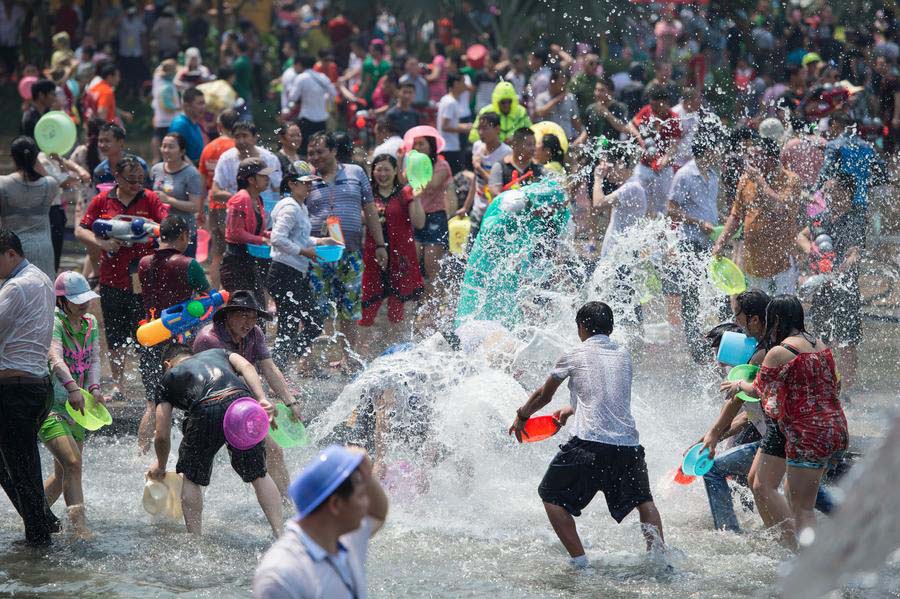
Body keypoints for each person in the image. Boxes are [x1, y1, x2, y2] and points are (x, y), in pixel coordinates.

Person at [509, 302, 665, 568]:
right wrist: (570, 411)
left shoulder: (573, 354)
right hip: (627, 445)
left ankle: (580, 563)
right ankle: (660, 557)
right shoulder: (624, 354)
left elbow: (542, 396)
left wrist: (522, 415)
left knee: (550, 495)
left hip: (589, 444)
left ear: (581, 327)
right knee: (643, 500)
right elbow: (604, 396)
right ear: (611, 328)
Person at [719, 295, 848, 549]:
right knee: (780, 490)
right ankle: (792, 548)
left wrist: (737, 385)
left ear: (775, 319)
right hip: (833, 429)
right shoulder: (819, 344)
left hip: (806, 435)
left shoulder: (779, 352)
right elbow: (837, 384)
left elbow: (757, 389)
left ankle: (809, 561)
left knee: (803, 509)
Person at [148, 344, 283, 536]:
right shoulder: (218, 352)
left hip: (205, 408)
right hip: (242, 402)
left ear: (167, 363)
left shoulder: (168, 378)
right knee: (259, 474)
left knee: (191, 477)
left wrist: (161, 465)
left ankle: (195, 540)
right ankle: (280, 534)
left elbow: (161, 434)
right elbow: (247, 367)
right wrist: (261, 398)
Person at [192, 290, 303, 500]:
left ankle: (287, 504)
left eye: (253, 317)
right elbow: (232, 380)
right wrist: (262, 404)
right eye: (243, 316)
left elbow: (269, 368)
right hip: (209, 407)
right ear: (227, 315)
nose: (249, 322)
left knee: (273, 452)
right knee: (196, 468)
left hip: (242, 405)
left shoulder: (255, 334)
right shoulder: (209, 339)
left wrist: (290, 401)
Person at [76, 154, 169, 397]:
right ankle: (118, 385)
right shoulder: (102, 200)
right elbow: (81, 229)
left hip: (143, 280)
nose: (137, 185)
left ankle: (151, 382)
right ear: (116, 178)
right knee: (115, 335)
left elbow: (167, 228)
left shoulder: (150, 199)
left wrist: (148, 228)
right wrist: (102, 243)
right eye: (131, 180)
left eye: (140, 179)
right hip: (111, 278)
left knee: (146, 330)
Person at [253, 445, 389, 598]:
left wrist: (366, 472)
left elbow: (377, 514)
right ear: (335, 504)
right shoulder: (281, 575)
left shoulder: (344, 539)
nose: (367, 504)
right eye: (361, 496)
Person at [0, 227, 60, 547]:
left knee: (23, 474)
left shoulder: (15, 288)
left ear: (11, 253)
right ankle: (42, 519)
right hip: (36, 386)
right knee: (16, 467)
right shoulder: (41, 278)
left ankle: (40, 551)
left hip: (15, 391)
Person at [306, 132, 387, 367]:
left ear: (333, 151)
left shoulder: (355, 172)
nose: (315, 157)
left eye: (320, 152)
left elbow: (370, 210)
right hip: (317, 253)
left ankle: (349, 358)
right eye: (311, 153)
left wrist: (380, 244)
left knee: (350, 309)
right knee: (316, 309)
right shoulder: (306, 178)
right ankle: (309, 360)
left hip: (350, 252)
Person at [137, 215, 211, 453]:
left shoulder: (144, 263)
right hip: (180, 344)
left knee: (153, 402)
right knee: (191, 402)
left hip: (149, 336)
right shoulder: (189, 264)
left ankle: (141, 453)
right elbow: (209, 299)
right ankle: (191, 453)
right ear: (182, 236)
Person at [42, 271, 103, 540]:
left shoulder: (90, 323)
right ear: (62, 301)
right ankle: (79, 528)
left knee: (61, 474)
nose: (84, 304)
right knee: (73, 463)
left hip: (78, 408)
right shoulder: (53, 323)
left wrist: (94, 388)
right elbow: (55, 358)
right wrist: (72, 388)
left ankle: (33, 514)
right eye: (76, 300)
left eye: (85, 298)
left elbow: (95, 360)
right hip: (52, 406)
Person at [798, 171, 865, 397]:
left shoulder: (855, 218)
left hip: (845, 289)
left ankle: (846, 391)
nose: (829, 195)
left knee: (846, 342)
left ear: (847, 193)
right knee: (822, 339)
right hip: (822, 289)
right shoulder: (822, 217)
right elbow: (801, 236)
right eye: (827, 191)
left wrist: (840, 271)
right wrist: (812, 251)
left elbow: (854, 252)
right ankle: (826, 387)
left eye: (833, 191)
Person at [713, 138, 803, 295]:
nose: (751, 162)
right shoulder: (746, 180)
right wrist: (720, 242)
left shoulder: (791, 180)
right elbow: (735, 216)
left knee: (781, 312)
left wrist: (760, 182)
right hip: (753, 264)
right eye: (750, 156)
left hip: (781, 265)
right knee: (756, 314)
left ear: (771, 159)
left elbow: (780, 208)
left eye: (755, 157)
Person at [267, 165, 333, 369]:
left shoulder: (300, 207)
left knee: (310, 322)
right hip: (283, 272)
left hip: (295, 273)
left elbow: (300, 238)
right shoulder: (290, 207)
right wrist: (304, 252)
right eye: (304, 183)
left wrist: (320, 242)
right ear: (292, 184)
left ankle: (280, 364)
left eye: (310, 182)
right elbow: (277, 238)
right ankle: (278, 369)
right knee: (290, 325)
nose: (309, 187)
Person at [666, 135, 721, 363]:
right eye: (713, 150)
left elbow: (711, 206)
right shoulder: (685, 175)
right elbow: (671, 209)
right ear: (704, 152)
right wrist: (699, 223)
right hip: (690, 242)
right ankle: (694, 346)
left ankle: (712, 340)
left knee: (713, 291)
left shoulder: (713, 174)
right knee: (692, 295)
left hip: (710, 242)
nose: (717, 154)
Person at [359, 154, 425, 339]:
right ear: (372, 171)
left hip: (400, 258)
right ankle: (363, 352)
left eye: (387, 169)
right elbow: (360, 217)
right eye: (378, 169)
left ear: (396, 171)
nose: (382, 173)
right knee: (367, 307)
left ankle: (396, 348)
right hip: (374, 257)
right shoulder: (368, 194)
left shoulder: (405, 193)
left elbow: (419, 223)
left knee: (397, 310)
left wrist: (418, 199)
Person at [0, 136, 60, 279]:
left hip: (13, 253)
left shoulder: (2, 184)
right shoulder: (50, 185)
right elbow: (47, 176)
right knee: (42, 293)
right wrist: (35, 161)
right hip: (43, 250)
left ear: (13, 158)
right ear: (35, 158)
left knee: (16, 296)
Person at [406, 131, 452, 316]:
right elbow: (402, 183)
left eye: (422, 144)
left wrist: (417, 170)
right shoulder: (411, 165)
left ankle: (434, 308)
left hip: (435, 217)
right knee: (414, 266)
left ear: (431, 146)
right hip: (417, 216)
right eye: (415, 144)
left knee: (432, 267)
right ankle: (419, 307)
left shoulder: (442, 165)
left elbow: (432, 185)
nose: (417, 148)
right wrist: (404, 160)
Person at [221, 157, 274, 306]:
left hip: (250, 261)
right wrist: (262, 240)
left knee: (259, 308)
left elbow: (257, 231)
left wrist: (271, 236)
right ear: (251, 180)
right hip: (235, 263)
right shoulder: (240, 199)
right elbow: (235, 233)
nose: (267, 179)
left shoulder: (258, 199)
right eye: (263, 176)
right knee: (242, 309)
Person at [198, 109, 239, 287]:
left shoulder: (208, 148)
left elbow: (202, 184)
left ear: (219, 126)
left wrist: (200, 210)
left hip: (214, 206)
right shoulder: (236, 148)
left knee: (216, 253)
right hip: (233, 207)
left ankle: (215, 294)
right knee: (236, 253)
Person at [628, 86, 682, 218]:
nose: (654, 109)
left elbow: (675, 144)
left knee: (662, 204)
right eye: (652, 105)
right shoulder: (647, 111)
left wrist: (666, 158)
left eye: (657, 105)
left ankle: (660, 234)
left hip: (664, 168)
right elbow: (631, 125)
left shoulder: (674, 118)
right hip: (644, 165)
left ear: (665, 103)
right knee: (638, 197)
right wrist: (640, 139)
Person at [457, 112, 511, 240]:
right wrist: (466, 206)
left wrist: (479, 168)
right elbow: (476, 180)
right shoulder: (477, 146)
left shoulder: (506, 152)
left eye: (485, 128)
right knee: (470, 251)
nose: (481, 132)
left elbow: (498, 187)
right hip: (477, 209)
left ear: (497, 129)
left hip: (495, 212)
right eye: (479, 128)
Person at [150, 133, 204, 257]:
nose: (166, 150)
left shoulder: (191, 174)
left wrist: (169, 200)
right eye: (163, 146)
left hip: (183, 233)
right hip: (160, 230)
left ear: (182, 152)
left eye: (171, 147)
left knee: (183, 272)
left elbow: (195, 206)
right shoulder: (156, 169)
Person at [288, 54, 337, 157]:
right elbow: (334, 93)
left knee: (304, 150)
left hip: (306, 118)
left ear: (301, 65)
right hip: (322, 118)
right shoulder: (322, 77)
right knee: (319, 148)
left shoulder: (301, 78)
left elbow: (292, 97)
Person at [468, 81, 532, 143]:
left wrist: (517, 138)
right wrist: (494, 140)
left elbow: (530, 132)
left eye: (509, 101)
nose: (506, 105)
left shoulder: (521, 112)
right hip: (492, 150)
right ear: (496, 101)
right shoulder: (485, 112)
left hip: (515, 151)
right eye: (503, 102)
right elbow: (473, 137)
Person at [92, 123, 150, 188]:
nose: (102, 145)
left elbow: (147, 192)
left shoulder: (138, 164)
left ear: (120, 142)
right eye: (100, 141)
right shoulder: (100, 171)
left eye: (107, 141)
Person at [534, 68, 583, 142]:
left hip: (567, 139)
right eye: (561, 85)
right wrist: (556, 100)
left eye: (564, 84)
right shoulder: (542, 97)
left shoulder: (570, 97)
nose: (563, 88)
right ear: (552, 82)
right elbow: (540, 113)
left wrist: (582, 135)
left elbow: (575, 120)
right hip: (549, 140)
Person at [489, 127, 544, 193]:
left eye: (534, 144)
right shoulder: (500, 167)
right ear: (515, 145)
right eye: (529, 145)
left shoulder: (538, 168)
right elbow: (495, 195)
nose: (533, 148)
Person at [437, 73, 471, 173]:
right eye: (463, 82)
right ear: (456, 83)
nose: (466, 85)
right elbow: (445, 126)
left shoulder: (446, 99)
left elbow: (450, 124)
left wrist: (466, 126)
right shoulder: (451, 102)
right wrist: (464, 129)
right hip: (450, 147)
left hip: (448, 146)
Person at [151, 59, 181, 164]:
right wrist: (179, 108)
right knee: (168, 143)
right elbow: (166, 105)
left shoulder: (158, 79)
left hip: (159, 117)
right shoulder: (166, 86)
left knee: (157, 137)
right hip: (167, 120)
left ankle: (157, 159)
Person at [168, 88, 207, 164]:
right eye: (200, 103)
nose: (203, 107)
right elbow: (176, 154)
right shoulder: (180, 124)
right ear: (186, 106)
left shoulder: (195, 123)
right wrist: (194, 172)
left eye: (204, 103)